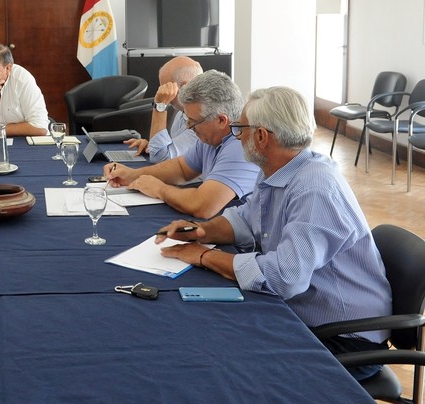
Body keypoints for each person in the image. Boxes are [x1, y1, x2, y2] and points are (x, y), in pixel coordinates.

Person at [156, 86, 391, 381]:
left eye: (240, 128)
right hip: (304, 311)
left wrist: (204, 256)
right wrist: (200, 230)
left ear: (261, 137)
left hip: (343, 337)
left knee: (227, 363)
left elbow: (282, 277)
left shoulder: (315, 189)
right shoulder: (278, 170)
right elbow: (245, 220)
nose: (236, 136)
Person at [105, 70, 259, 218]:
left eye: (193, 121)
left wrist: (159, 189)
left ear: (221, 120)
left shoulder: (241, 144)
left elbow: (203, 206)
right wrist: (132, 175)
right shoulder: (213, 137)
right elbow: (182, 169)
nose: (188, 126)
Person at [124, 55, 202, 163]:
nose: (163, 94)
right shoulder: (181, 112)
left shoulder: (202, 121)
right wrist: (150, 146)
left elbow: (160, 158)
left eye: (166, 88)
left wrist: (160, 106)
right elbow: (170, 149)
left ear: (185, 87)